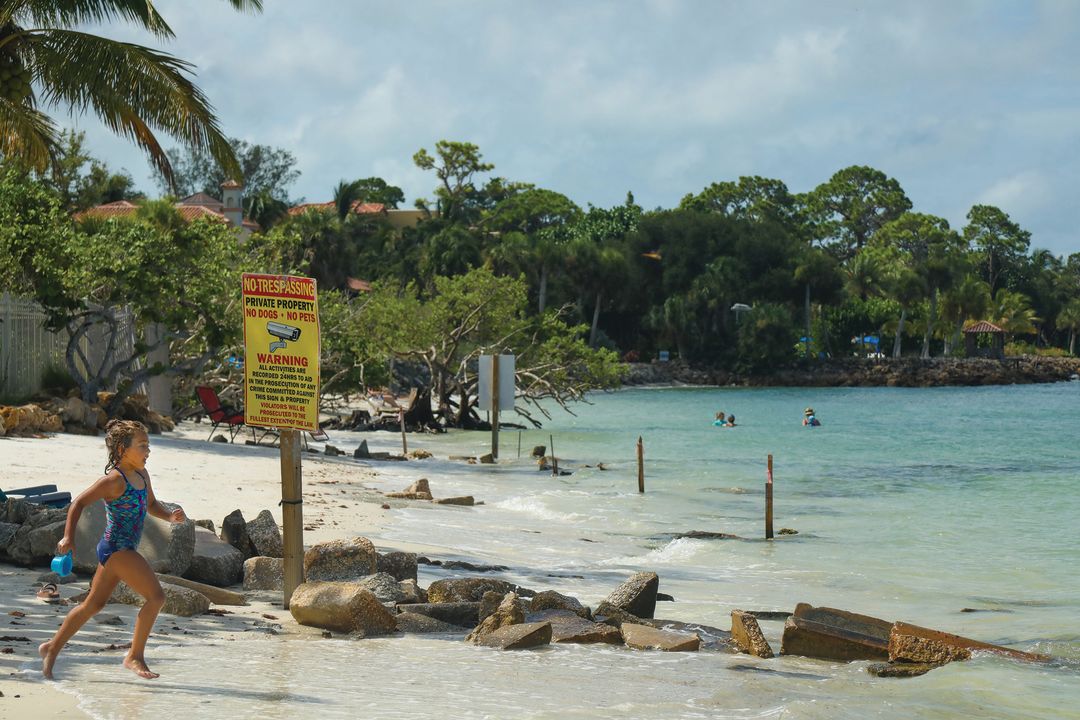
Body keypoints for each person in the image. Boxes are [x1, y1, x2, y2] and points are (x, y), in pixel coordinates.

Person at [39, 420, 186, 680]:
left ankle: (52, 647)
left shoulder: (141, 475)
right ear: (122, 449)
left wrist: (169, 517)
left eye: (148, 445)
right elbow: (78, 503)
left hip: (119, 549)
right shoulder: (114, 481)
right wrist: (68, 537)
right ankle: (134, 656)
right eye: (142, 446)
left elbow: (151, 504)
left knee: (92, 604)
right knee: (156, 598)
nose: (148, 451)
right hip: (117, 550)